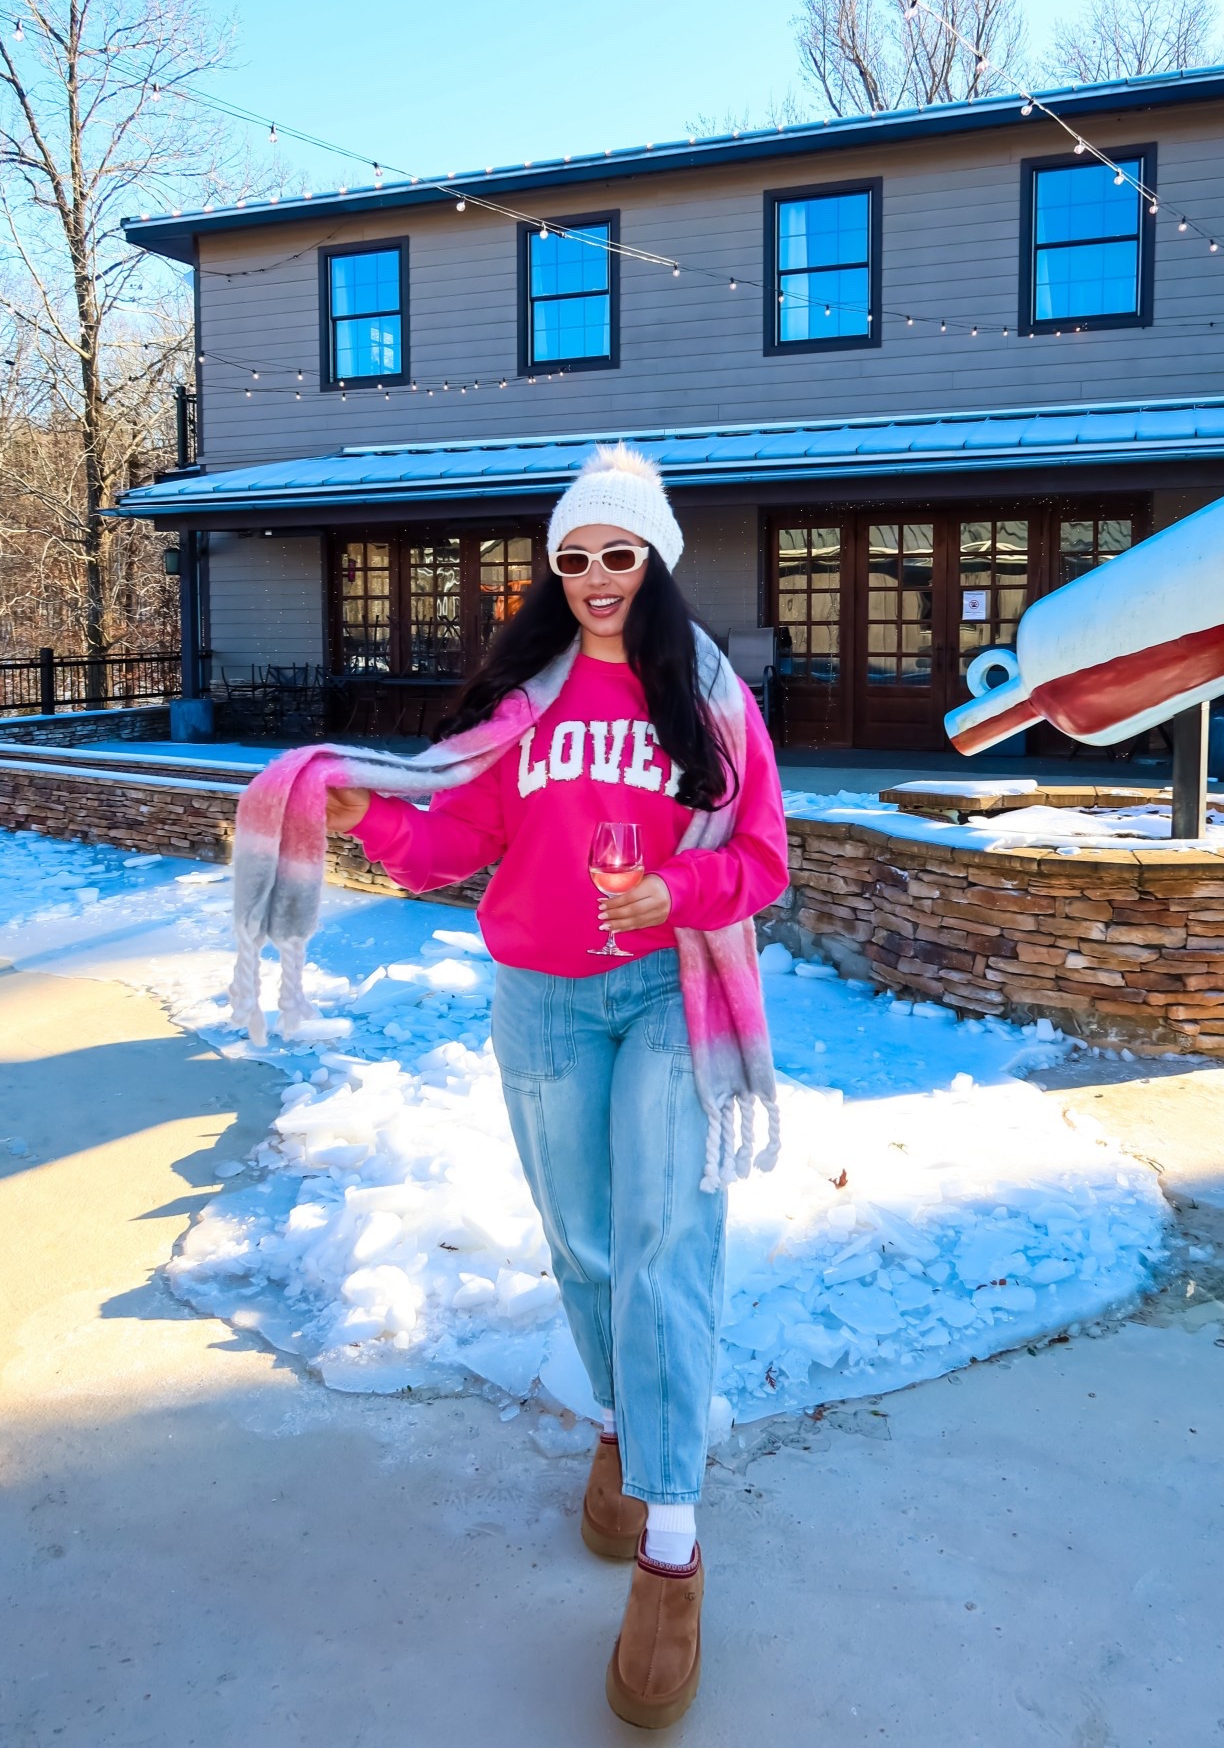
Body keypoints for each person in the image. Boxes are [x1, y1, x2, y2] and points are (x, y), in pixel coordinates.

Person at [325, 446, 788, 1728]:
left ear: (657, 559)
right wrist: (364, 808)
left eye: (618, 553)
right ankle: (618, 1423)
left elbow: (760, 857)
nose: (593, 577)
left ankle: (673, 1548)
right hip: (540, 1000)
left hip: (665, 997)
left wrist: (675, 892)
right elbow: (450, 843)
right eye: (573, 556)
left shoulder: (707, 695)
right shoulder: (521, 699)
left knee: (665, 1243)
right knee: (584, 1245)